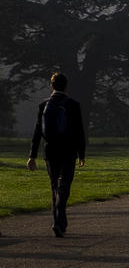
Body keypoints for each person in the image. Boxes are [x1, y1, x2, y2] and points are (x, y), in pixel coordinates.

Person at [27, 72, 86, 238]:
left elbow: (38, 131)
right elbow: (79, 131)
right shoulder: (73, 104)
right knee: (64, 186)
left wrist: (32, 155)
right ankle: (60, 218)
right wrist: (81, 153)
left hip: (50, 151)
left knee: (55, 187)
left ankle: (58, 222)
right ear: (66, 86)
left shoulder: (44, 105)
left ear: (51, 86)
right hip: (68, 151)